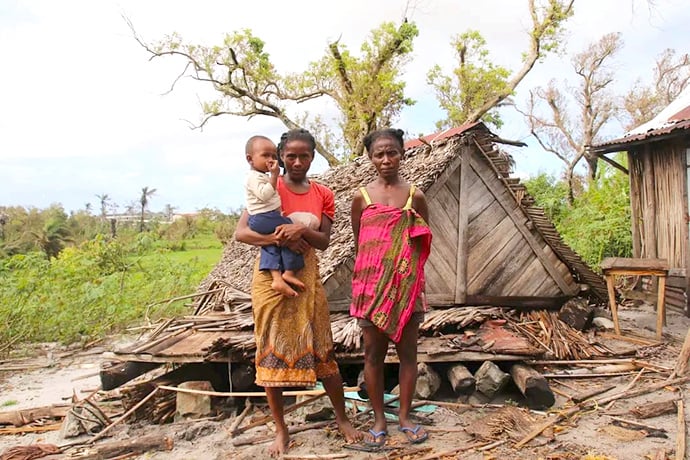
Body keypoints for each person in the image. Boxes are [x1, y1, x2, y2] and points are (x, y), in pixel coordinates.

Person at [235, 129, 362, 457]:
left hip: (306, 275)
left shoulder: (323, 193)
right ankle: (281, 429)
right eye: (290, 155)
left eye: (304, 155)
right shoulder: (268, 186)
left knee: (323, 348)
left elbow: (324, 241)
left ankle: (342, 419)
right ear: (279, 157)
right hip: (269, 278)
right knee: (270, 351)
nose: (296, 161)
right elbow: (242, 233)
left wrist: (301, 230)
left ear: (312, 157)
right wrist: (278, 239)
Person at [349, 128, 432, 449]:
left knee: (408, 355)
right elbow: (362, 245)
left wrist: (403, 277)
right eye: (379, 154)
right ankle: (379, 420)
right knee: (373, 357)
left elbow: (422, 240)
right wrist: (379, 277)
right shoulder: (362, 197)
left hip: (408, 291)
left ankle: (406, 418)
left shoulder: (416, 197)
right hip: (371, 291)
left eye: (392, 152)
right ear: (370, 158)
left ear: (402, 154)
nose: (386, 159)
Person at [244, 135, 305, 298]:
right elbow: (264, 196)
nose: (271, 160)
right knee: (288, 227)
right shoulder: (254, 177)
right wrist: (274, 176)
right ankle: (290, 271)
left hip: (262, 219)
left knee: (270, 246)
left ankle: (277, 278)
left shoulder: (261, 177)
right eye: (265, 155)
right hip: (262, 217)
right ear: (250, 159)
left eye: (273, 156)